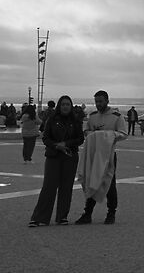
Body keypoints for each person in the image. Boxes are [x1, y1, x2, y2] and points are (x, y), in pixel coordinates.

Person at [30, 95, 83, 226]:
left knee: (66, 187)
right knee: (49, 186)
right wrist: (56, 145)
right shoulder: (52, 119)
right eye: (63, 104)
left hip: (70, 156)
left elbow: (80, 139)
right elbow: (45, 138)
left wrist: (66, 143)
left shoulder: (75, 121)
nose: (65, 107)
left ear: (71, 107)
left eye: (68, 104)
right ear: (59, 106)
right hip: (53, 156)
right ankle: (40, 217)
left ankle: (62, 216)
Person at [75, 89, 121, 224]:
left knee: (109, 183)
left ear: (107, 101)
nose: (98, 104)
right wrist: (93, 134)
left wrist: (108, 135)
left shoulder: (116, 116)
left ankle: (111, 213)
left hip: (109, 155)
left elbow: (123, 133)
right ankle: (87, 213)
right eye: (96, 102)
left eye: (101, 101)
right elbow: (86, 130)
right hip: (94, 154)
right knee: (92, 181)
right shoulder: (93, 116)